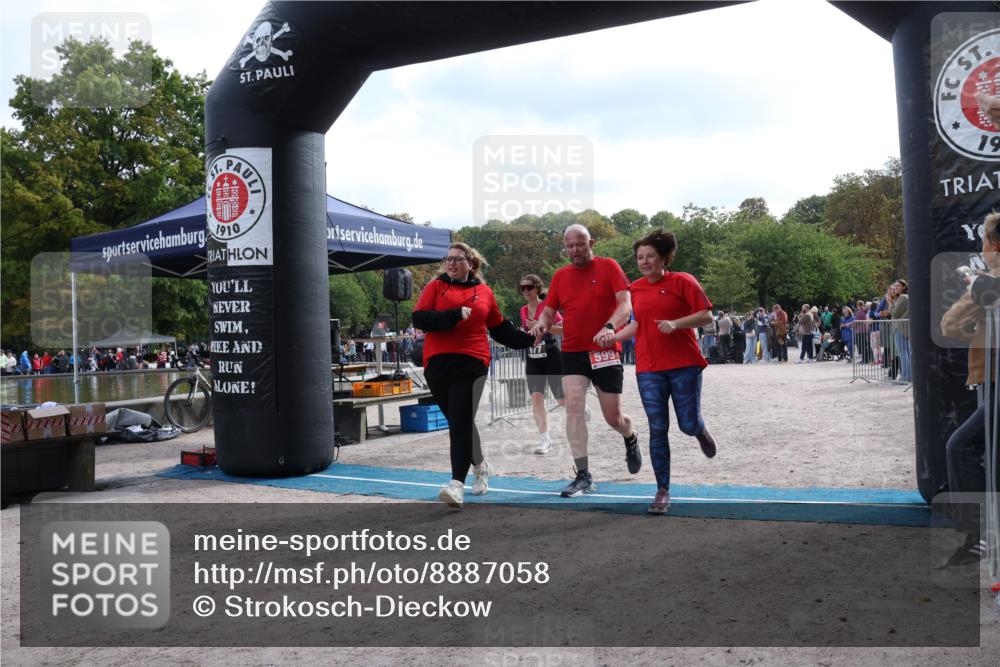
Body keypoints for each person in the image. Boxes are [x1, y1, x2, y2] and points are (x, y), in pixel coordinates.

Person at [412, 242, 533, 508]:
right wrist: (453, 315)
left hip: (472, 361)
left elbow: (500, 329)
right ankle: (481, 466)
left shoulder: (485, 293)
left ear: (471, 263)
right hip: (437, 364)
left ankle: (457, 484)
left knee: (459, 422)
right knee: (460, 420)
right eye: (448, 259)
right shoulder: (436, 287)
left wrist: (529, 340)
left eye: (458, 259)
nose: (451, 263)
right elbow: (419, 319)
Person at [605, 229, 717, 514]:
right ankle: (662, 490)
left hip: (684, 366)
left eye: (650, 256)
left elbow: (707, 316)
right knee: (658, 428)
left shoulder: (684, 281)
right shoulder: (636, 289)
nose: (644, 261)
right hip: (649, 368)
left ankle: (699, 431)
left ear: (664, 258)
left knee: (687, 424)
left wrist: (677, 323)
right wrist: (614, 336)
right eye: (640, 257)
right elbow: (638, 324)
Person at [528, 224, 641, 498]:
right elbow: (549, 310)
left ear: (592, 243)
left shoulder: (609, 267)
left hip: (604, 350)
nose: (575, 250)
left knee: (613, 417)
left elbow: (625, 304)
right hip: (573, 351)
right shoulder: (561, 276)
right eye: (569, 246)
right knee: (574, 408)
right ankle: (583, 475)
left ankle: (630, 436)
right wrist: (541, 325)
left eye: (580, 244)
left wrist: (610, 327)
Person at [939, 211, 1000, 564]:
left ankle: (981, 534)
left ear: (993, 245)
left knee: (960, 447)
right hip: (989, 379)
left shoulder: (988, 284)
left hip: (994, 380)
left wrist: (977, 287)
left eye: (983, 243)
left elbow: (949, 325)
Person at [518, 273, 566, 455]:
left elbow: (563, 330)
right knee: (536, 399)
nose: (525, 291)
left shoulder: (547, 307)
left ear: (537, 288)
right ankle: (545, 440)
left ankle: (578, 405)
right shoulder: (522, 311)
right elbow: (527, 333)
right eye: (522, 288)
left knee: (561, 400)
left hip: (551, 356)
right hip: (533, 358)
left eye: (528, 287)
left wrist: (543, 326)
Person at [891, 279, 911, 382]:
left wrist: (891, 302)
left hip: (900, 327)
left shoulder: (903, 298)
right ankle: (908, 376)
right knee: (906, 352)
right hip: (904, 327)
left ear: (904, 287)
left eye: (898, 286)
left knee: (903, 353)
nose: (895, 288)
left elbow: (894, 313)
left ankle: (905, 377)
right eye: (895, 286)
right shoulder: (904, 297)